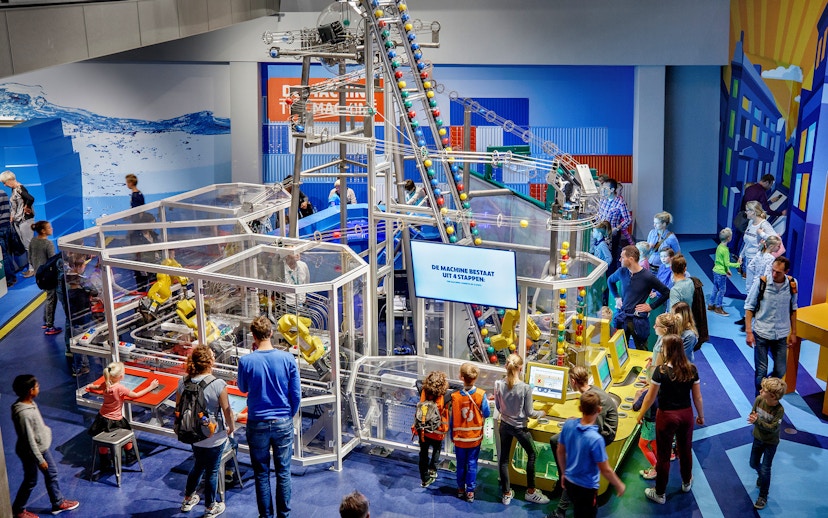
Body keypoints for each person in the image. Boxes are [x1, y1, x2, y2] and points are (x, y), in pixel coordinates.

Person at [237, 316, 301, 518]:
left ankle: (266, 516)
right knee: (283, 472)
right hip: (282, 421)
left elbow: (242, 387)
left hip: (257, 423)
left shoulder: (246, 361)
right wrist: (288, 415)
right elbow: (296, 394)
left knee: (261, 474)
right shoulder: (288, 359)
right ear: (271, 333)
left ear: (253, 337)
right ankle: (284, 515)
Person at [636, 334, 705, 505]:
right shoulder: (692, 369)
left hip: (666, 416)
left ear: (667, 350)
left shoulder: (660, 372)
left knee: (664, 455)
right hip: (686, 414)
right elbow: (698, 397)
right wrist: (701, 416)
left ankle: (659, 493)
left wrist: (640, 413)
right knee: (685, 450)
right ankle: (687, 482)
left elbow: (649, 398)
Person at [548, 365, 618, 518]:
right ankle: (564, 478)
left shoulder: (592, 398)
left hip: (603, 434)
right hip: (593, 429)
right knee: (555, 440)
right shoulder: (590, 391)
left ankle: (561, 509)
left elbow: (597, 428)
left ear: (573, 381)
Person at [11, 374, 80, 517]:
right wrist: (40, 459)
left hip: (39, 448)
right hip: (33, 451)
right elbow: (29, 440)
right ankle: (18, 510)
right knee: (31, 480)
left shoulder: (30, 403)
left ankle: (57, 502)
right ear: (30, 390)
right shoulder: (23, 414)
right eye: (36, 386)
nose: (39, 388)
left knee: (51, 474)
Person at [179, 345, 236, 518]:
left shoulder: (182, 382)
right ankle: (211, 507)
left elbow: (178, 408)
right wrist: (231, 428)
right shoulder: (218, 384)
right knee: (212, 470)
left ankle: (188, 499)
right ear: (211, 362)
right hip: (214, 437)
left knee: (197, 465)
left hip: (193, 435)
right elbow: (227, 411)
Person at [494, 354, 549, 505]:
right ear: (520, 368)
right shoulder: (525, 388)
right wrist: (543, 412)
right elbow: (531, 412)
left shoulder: (498, 384)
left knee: (504, 460)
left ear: (506, 366)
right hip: (520, 429)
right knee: (532, 454)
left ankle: (506, 493)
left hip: (504, 426)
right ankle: (531, 491)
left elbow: (498, 407)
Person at [85, 362, 159, 465]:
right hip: (115, 420)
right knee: (128, 434)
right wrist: (151, 387)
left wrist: (90, 386)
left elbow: (98, 387)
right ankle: (130, 456)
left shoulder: (107, 384)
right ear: (121, 376)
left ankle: (104, 461)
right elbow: (135, 395)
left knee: (102, 438)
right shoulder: (120, 388)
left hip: (101, 417)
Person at [745, 256, 797, 397]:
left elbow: (793, 309)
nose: (774, 274)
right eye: (773, 270)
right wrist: (749, 331)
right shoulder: (762, 283)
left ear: (786, 271)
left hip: (780, 334)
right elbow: (749, 307)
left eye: (778, 272)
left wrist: (793, 333)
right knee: (761, 371)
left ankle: (770, 392)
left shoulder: (792, 284)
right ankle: (760, 400)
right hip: (761, 332)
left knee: (780, 370)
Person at [613, 245, 670, 350]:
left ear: (631, 259)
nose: (620, 259)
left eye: (622, 257)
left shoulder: (647, 277)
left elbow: (666, 292)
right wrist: (616, 297)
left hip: (638, 321)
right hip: (623, 318)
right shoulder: (622, 272)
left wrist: (651, 306)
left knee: (642, 349)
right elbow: (610, 281)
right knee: (620, 349)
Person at [450, 362, 491, 503]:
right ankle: (470, 492)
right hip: (474, 438)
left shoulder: (455, 397)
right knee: (472, 463)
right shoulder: (480, 395)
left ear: (461, 377)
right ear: (476, 378)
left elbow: (452, 419)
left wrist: (452, 437)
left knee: (460, 464)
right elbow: (487, 412)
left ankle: (460, 489)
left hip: (459, 438)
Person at [735, 201, 777, 326]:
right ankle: (747, 316)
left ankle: (754, 319)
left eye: (747, 210)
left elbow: (774, 239)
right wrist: (741, 255)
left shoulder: (764, 224)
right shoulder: (750, 223)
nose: (746, 212)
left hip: (759, 261)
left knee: (756, 289)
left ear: (753, 211)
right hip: (748, 260)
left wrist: (762, 234)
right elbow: (747, 242)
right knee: (748, 288)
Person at [748, 377, 786, 510]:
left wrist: (757, 421)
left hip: (770, 443)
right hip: (758, 438)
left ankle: (763, 496)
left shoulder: (779, 410)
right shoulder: (759, 400)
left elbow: (772, 428)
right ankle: (761, 476)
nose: (760, 391)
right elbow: (753, 413)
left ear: (772, 396)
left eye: (763, 390)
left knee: (766, 468)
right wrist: (753, 418)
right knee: (753, 463)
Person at [28, 221, 62, 335]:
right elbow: (53, 262)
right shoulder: (48, 244)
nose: (51, 229)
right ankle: (49, 325)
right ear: (43, 231)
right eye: (49, 227)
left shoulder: (33, 241)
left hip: (39, 275)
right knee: (52, 299)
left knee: (49, 297)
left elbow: (30, 258)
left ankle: (45, 321)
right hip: (49, 277)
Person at [417, 370, 449, 488]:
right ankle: (433, 469)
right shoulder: (445, 396)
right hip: (437, 431)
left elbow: (417, 381)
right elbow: (459, 387)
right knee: (437, 449)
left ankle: (424, 479)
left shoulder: (422, 391)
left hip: (423, 430)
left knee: (423, 454)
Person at [1, 170, 36, 277]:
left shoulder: (20, 188)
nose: (4, 185)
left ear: (9, 180)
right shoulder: (14, 189)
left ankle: (32, 268)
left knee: (28, 245)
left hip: (25, 220)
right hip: (19, 220)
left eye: (4, 182)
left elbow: (30, 198)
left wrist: (27, 207)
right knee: (25, 245)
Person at [596, 178, 632, 276]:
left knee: (610, 258)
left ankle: (609, 280)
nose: (602, 190)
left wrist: (617, 228)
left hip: (612, 235)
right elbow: (598, 214)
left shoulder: (620, 202)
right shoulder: (602, 200)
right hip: (600, 233)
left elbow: (628, 219)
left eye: (605, 188)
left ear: (612, 190)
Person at [709, 227, 741, 316]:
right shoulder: (725, 250)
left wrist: (727, 270)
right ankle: (718, 307)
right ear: (728, 238)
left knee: (715, 288)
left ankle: (711, 305)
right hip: (721, 273)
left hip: (715, 271)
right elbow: (727, 263)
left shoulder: (719, 246)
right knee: (722, 290)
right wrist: (737, 264)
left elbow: (720, 261)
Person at [633, 382, 659, 480]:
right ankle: (656, 467)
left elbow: (636, 407)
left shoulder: (647, 393)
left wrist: (637, 395)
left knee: (642, 445)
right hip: (660, 422)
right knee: (654, 444)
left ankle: (656, 467)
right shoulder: (663, 390)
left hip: (650, 424)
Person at [0, 187, 17, 287]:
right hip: (6, 226)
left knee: (3, 255)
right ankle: (12, 275)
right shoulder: (3, 192)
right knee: (6, 252)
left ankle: (9, 279)